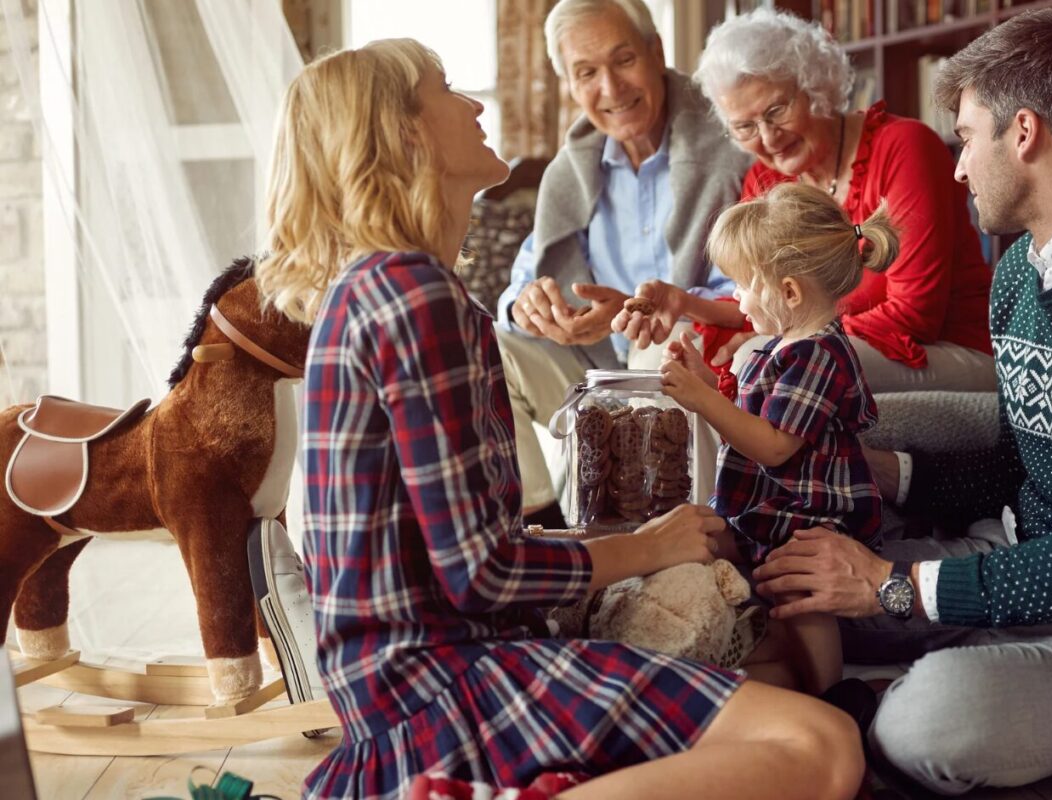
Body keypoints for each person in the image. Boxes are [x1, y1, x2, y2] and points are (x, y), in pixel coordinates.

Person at [255, 39, 861, 800]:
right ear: (403, 131)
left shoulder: (384, 284)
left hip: (407, 682)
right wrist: (645, 547)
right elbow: (481, 573)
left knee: (776, 693)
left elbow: (461, 554)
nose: (475, 103)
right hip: (437, 691)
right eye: (446, 88)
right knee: (824, 746)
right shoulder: (412, 292)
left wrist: (619, 545)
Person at [748, 9, 1052, 795]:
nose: (956, 168)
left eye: (965, 136)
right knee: (794, 598)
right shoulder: (1021, 272)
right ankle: (889, 692)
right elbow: (1022, 465)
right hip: (1015, 557)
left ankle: (894, 701)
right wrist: (886, 473)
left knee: (926, 721)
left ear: (1024, 134)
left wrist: (890, 584)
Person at [614, 7, 994, 395]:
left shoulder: (904, 148)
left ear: (815, 86)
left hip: (943, 350)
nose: (767, 136)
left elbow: (913, 316)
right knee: (668, 350)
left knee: (759, 361)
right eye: (745, 127)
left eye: (776, 110)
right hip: (834, 340)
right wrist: (683, 303)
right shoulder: (765, 179)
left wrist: (775, 343)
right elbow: (762, 299)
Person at [494, 0, 751, 528]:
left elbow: (751, 288)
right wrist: (528, 308)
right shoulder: (572, 171)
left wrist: (642, 313)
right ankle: (548, 529)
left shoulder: (729, 143)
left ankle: (677, 536)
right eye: (586, 72)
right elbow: (523, 282)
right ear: (568, 82)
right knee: (489, 348)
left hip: (694, 360)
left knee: (656, 341)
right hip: (596, 372)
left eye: (623, 59)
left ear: (657, 52)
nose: (610, 89)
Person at [657, 183, 893, 696]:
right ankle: (755, 657)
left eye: (742, 285)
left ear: (788, 292)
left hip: (806, 513)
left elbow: (774, 445)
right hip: (767, 505)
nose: (736, 299)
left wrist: (703, 401)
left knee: (801, 595)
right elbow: (750, 412)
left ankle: (834, 694)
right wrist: (706, 379)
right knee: (699, 542)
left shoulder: (819, 354)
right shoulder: (780, 347)